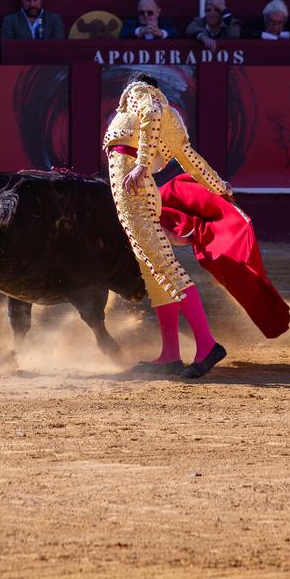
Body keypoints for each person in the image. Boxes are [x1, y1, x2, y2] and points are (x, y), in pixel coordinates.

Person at [103, 72, 231, 379]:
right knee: (155, 272)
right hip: (140, 193)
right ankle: (171, 354)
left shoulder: (142, 93)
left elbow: (151, 112)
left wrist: (141, 164)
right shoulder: (172, 120)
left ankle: (206, 346)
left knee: (166, 269)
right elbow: (192, 160)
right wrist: (220, 186)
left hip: (134, 192)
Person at [0, 0, 65, 40]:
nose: (32, 5)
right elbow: (8, 48)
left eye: (36, 0)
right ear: (21, 0)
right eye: (28, 0)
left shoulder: (54, 19)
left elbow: (58, 47)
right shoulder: (10, 20)